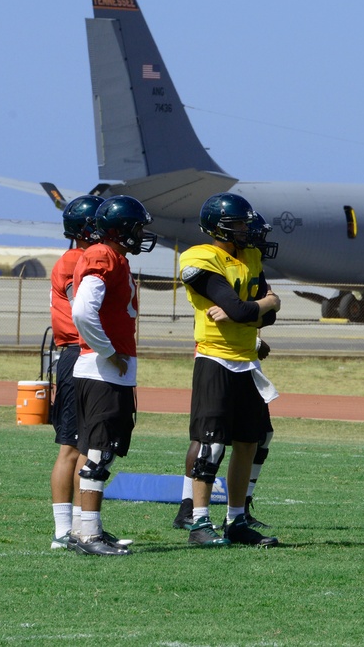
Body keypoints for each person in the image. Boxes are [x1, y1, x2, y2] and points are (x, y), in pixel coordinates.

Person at [174, 192, 281, 548]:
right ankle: (199, 523)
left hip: (246, 360)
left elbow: (265, 313)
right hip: (215, 358)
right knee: (211, 445)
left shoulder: (250, 256)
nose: (247, 229)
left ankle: (236, 520)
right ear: (218, 228)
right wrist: (262, 303)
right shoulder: (198, 258)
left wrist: (260, 306)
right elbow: (240, 309)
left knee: (249, 442)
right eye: (239, 224)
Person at [70, 195, 157, 555]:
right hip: (102, 370)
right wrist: (108, 351)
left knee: (101, 450)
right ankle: (87, 534)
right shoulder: (103, 256)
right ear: (120, 231)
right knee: (99, 452)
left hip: (106, 371)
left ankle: (85, 529)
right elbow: (82, 312)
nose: (141, 234)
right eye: (136, 228)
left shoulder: (112, 257)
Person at [48, 195, 103, 550]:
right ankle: (62, 530)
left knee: (87, 443)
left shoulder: (85, 257)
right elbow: (79, 303)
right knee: (71, 445)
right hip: (76, 353)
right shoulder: (73, 260)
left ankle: (84, 527)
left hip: (84, 354)